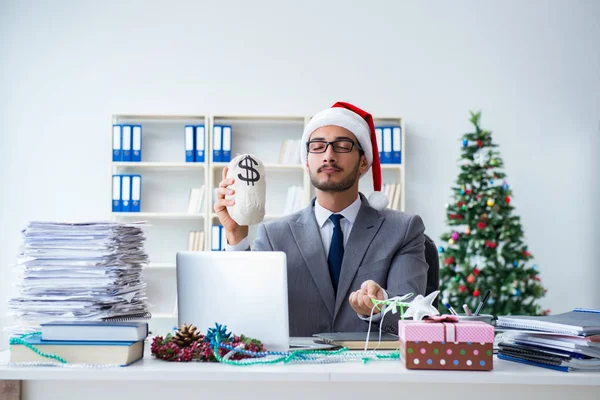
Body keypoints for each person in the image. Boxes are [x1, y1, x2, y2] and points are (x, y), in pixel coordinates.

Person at [214, 102, 428, 336]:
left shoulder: (403, 230)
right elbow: (244, 308)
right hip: (296, 368)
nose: (329, 155)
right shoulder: (274, 236)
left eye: (343, 146)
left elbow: (411, 315)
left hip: (371, 368)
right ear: (306, 163)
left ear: (364, 162)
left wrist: (380, 305)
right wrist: (236, 235)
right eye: (317, 147)